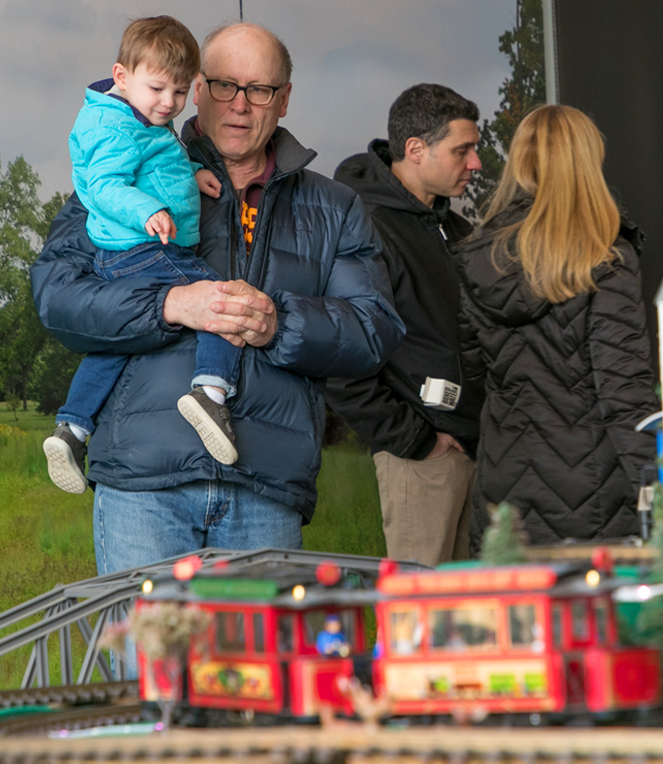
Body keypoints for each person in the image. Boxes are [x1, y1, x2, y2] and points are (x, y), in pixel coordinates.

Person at [31, 22, 404, 576]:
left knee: (252, 666)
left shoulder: (336, 207)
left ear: (284, 100)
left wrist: (280, 323)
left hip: (266, 490)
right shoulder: (125, 171)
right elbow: (57, 297)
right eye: (224, 86)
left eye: (260, 90)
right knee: (149, 665)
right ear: (198, 88)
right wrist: (168, 307)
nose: (240, 105)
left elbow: (374, 331)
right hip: (143, 484)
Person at [42, 16, 244, 496]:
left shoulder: (140, 116)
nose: (168, 103)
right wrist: (148, 207)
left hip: (128, 251)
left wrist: (190, 175)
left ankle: (72, 429)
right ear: (121, 76)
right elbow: (108, 184)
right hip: (142, 248)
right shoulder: (114, 126)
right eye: (158, 89)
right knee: (220, 301)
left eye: (179, 91)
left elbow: (154, 161)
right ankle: (210, 391)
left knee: (120, 342)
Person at [453, 104, 658, 545]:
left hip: (503, 491)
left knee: (521, 614)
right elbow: (625, 393)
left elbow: (474, 379)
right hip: (594, 492)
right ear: (587, 163)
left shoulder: (477, 258)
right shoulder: (604, 259)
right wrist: (659, 487)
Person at [324, 84, 484, 566]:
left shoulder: (454, 230)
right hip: (422, 461)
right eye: (463, 150)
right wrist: (416, 441)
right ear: (415, 150)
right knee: (424, 621)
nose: (475, 164)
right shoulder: (365, 229)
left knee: (474, 624)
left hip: (475, 454)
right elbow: (340, 359)